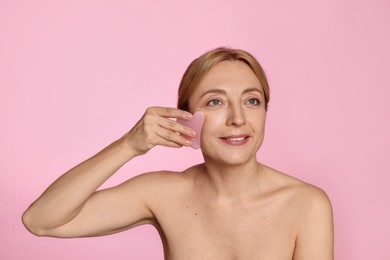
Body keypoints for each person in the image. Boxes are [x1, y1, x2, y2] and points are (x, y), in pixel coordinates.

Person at [22, 47, 334, 260]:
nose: (238, 118)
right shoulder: (162, 194)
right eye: (215, 102)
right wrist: (129, 145)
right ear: (185, 116)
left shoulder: (306, 204)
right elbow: (41, 220)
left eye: (252, 101)